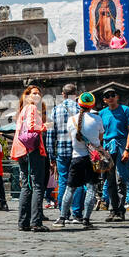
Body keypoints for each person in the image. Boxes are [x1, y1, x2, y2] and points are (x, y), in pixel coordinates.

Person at [56, 93, 104, 228]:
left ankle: (62, 217)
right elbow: (100, 139)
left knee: (70, 189)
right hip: (92, 158)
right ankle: (86, 220)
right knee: (91, 189)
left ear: (79, 104)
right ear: (92, 105)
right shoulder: (97, 119)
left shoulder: (71, 120)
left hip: (76, 158)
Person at [12, 84, 50, 232]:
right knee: (37, 185)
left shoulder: (22, 111)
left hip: (22, 150)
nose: (37, 95)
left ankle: (24, 222)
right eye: (33, 93)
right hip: (32, 149)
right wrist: (45, 126)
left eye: (39, 93)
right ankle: (36, 222)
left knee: (27, 186)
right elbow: (32, 127)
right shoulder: (32, 108)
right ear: (27, 96)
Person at [49, 83, 85, 223]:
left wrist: (52, 156)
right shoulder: (80, 109)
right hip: (78, 151)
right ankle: (77, 214)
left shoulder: (55, 110)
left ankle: (64, 213)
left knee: (63, 181)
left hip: (62, 152)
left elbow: (51, 135)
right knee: (79, 182)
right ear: (76, 95)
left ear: (63, 94)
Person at [99, 89, 129, 221]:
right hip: (107, 148)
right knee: (109, 179)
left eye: (113, 95)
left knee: (121, 178)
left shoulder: (125, 110)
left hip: (120, 146)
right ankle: (113, 209)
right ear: (104, 100)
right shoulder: (102, 113)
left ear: (117, 97)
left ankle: (120, 210)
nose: (111, 98)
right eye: (107, 96)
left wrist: (127, 149)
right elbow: (100, 133)